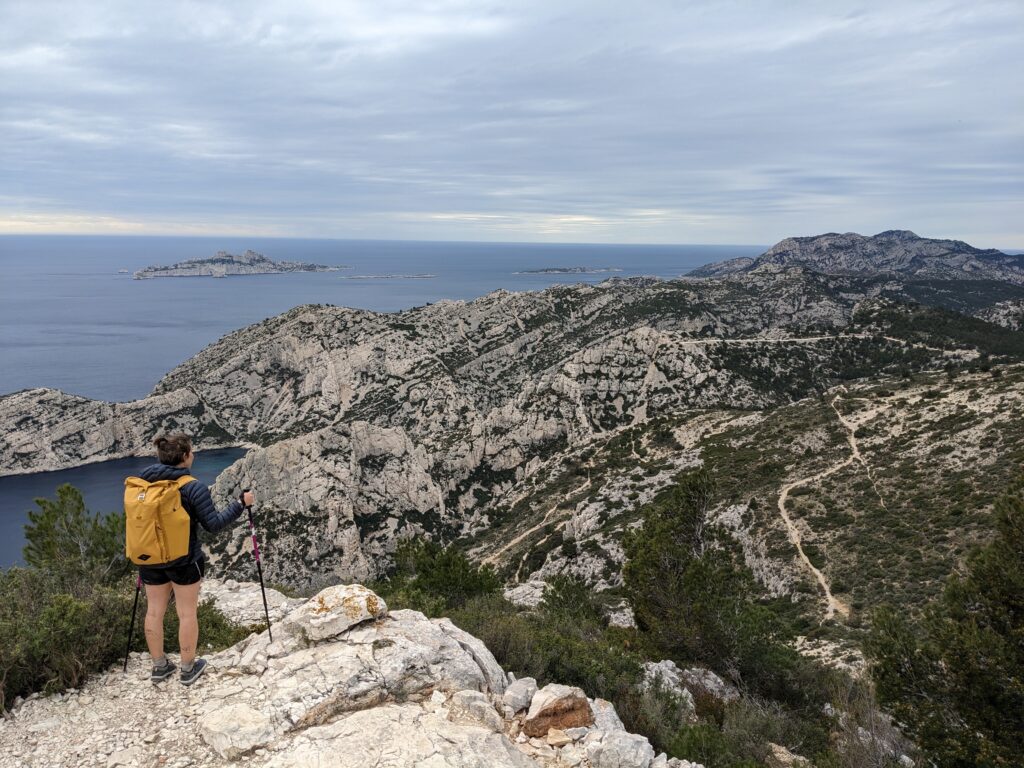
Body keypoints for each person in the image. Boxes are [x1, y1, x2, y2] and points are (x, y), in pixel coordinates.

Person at [138, 433, 252, 686]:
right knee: (186, 613)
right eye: (192, 451)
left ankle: (159, 666)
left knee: (154, 611)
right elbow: (213, 525)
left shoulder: (140, 484)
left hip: (149, 558)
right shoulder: (192, 487)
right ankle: (188, 668)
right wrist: (240, 505)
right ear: (186, 456)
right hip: (184, 560)